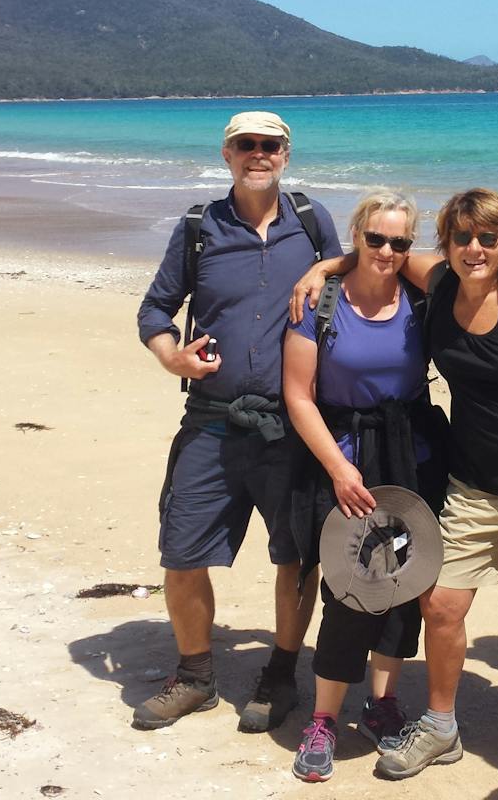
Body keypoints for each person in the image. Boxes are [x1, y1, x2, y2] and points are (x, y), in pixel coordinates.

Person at [133, 111, 343, 733]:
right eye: (246, 145)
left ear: (286, 154)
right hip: (212, 420)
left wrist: (323, 267)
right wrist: (171, 354)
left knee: (296, 557)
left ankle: (280, 673)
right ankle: (195, 675)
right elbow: (155, 307)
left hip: (290, 423)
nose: (259, 154)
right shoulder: (199, 227)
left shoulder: (312, 221)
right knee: (182, 550)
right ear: (227, 154)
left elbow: (360, 276)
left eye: (269, 145)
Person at [363, 188, 498, 781]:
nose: (474, 248)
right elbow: (388, 254)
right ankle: (441, 725)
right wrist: (326, 265)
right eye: (462, 237)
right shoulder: (442, 288)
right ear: (446, 245)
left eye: (488, 237)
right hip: (469, 483)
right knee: (442, 604)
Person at [282, 190, 449, 784]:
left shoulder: (421, 297)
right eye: (375, 238)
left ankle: (382, 703)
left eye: (399, 241)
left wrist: (333, 259)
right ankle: (324, 718)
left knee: (405, 585)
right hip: (345, 456)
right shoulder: (319, 301)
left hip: (411, 456)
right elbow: (298, 395)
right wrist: (338, 468)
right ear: (357, 234)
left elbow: (474, 264)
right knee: (351, 589)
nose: (386, 250)